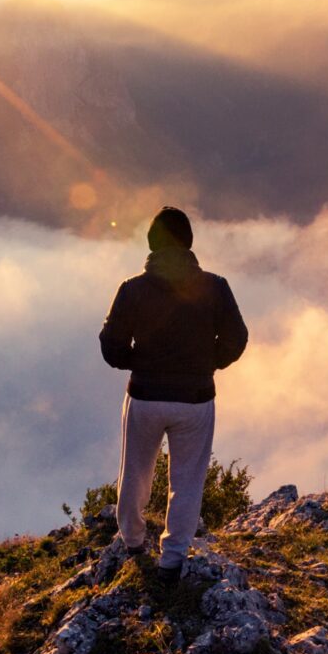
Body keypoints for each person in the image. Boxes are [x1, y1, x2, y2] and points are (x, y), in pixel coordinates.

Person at [99, 205, 247, 575]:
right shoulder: (215, 287)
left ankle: (132, 542)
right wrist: (209, 363)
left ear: (151, 245)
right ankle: (173, 558)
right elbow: (237, 338)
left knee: (135, 473)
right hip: (196, 399)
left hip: (145, 396)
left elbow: (110, 344)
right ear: (189, 244)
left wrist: (137, 361)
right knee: (187, 480)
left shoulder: (132, 290)